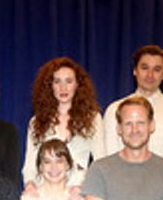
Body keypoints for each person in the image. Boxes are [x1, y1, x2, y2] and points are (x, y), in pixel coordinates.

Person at [22, 57, 107, 187]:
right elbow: (30, 164)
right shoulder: (37, 121)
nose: (63, 87)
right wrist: (29, 185)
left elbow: (100, 161)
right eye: (57, 81)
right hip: (45, 190)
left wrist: (85, 188)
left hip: (80, 190)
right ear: (50, 86)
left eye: (68, 81)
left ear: (77, 85)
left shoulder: (93, 118)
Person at [102, 45, 163, 161]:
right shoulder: (114, 109)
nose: (150, 75)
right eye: (144, 68)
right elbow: (110, 158)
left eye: (157, 69)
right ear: (135, 70)